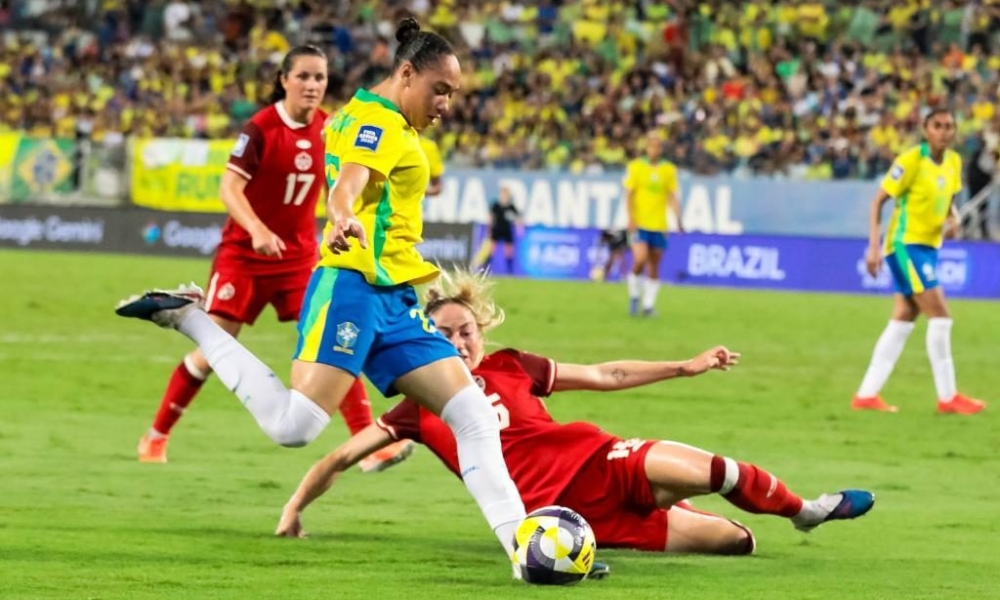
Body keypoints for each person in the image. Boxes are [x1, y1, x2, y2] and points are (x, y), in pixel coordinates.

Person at [116, 18, 527, 564]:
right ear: (407, 74)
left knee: (472, 415)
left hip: (394, 295)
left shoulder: (363, 114)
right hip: (352, 286)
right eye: (440, 90)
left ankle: (528, 551)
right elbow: (349, 184)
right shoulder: (377, 124)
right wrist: (340, 216)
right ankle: (190, 318)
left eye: (453, 93)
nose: (447, 103)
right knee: (295, 426)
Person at [275, 269, 875, 555]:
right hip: (566, 519)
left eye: (466, 332)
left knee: (719, 470)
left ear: (480, 331)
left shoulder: (513, 365)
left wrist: (683, 366)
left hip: (600, 462)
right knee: (737, 542)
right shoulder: (416, 407)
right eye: (446, 335)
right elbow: (342, 454)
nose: (459, 344)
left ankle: (804, 511)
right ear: (426, 341)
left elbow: (604, 374)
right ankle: (672, 500)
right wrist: (296, 506)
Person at [135, 45, 409, 470]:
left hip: (298, 259)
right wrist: (258, 230)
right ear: (284, 80)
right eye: (303, 76)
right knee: (214, 349)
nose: (313, 85)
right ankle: (156, 435)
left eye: (320, 77)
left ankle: (367, 444)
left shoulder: (329, 129)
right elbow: (229, 188)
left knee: (336, 338)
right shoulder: (261, 128)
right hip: (244, 257)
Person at [853, 108, 986, 415]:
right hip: (904, 245)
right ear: (926, 129)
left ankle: (866, 394)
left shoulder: (953, 161)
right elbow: (878, 202)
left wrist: (954, 221)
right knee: (940, 316)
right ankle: (948, 397)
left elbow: (949, 201)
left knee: (903, 319)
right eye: (937, 125)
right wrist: (873, 247)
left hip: (929, 247)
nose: (944, 131)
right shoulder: (911, 161)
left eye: (949, 126)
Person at [623, 133, 684, 317]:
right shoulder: (635, 167)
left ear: (661, 149)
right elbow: (629, 195)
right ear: (646, 148)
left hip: (659, 225)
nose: (654, 150)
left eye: (658, 146)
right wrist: (631, 218)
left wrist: (678, 219)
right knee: (639, 259)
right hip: (640, 223)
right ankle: (634, 295)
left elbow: (672, 196)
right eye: (651, 146)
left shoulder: (669, 170)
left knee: (654, 267)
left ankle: (648, 306)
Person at [474, 185, 521, 274]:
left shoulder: (511, 207)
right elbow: (491, 217)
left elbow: (518, 217)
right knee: (490, 249)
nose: (505, 195)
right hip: (496, 229)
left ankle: (509, 271)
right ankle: (484, 269)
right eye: (503, 193)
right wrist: (489, 228)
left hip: (507, 231)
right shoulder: (496, 205)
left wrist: (519, 227)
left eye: (506, 194)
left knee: (509, 251)